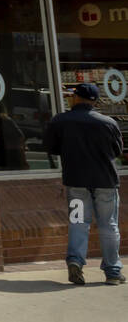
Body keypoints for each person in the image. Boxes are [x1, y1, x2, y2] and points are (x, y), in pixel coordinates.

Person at [43, 82, 124, 286]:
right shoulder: (108, 123)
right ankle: (113, 272)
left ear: (76, 97)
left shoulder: (60, 121)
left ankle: (75, 261)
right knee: (109, 225)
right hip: (105, 182)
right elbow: (117, 151)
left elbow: (51, 148)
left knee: (78, 223)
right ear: (95, 100)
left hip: (76, 182)